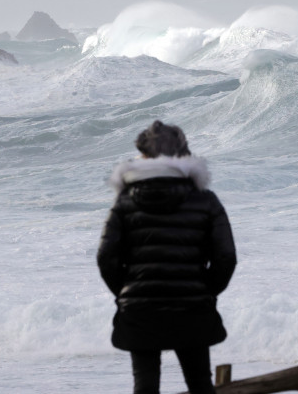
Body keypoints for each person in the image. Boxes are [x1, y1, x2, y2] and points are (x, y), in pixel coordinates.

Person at [98, 120, 237, 394]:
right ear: (183, 154)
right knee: (199, 383)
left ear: (144, 156)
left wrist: (127, 291)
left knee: (145, 385)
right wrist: (206, 290)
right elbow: (226, 257)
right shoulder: (205, 199)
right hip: (192, 306)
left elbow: (106, 258)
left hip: (140, 308)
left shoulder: (125, 202)